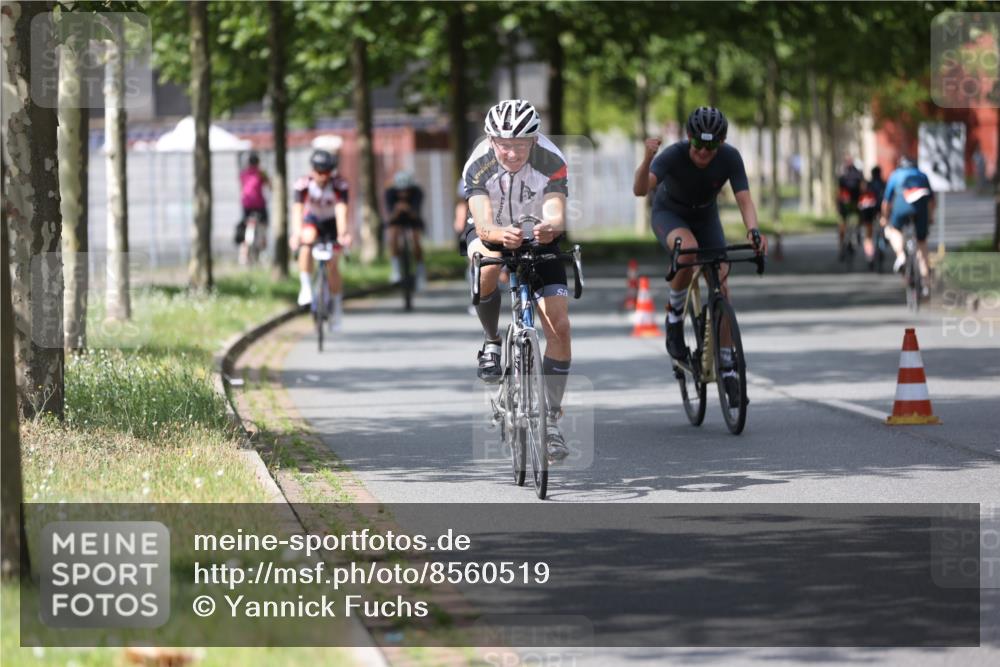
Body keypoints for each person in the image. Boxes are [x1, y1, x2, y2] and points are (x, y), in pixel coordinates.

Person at [461, 99, 572, 462]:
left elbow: (556, 212)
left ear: (535, 140)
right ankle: (493, 341)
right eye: (504, 144)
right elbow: (482, 223)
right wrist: (496, 234)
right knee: (488, 264)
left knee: (559, 327)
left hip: (537, 234)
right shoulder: (479, 163)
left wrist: (549, 228)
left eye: (520, 145)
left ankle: (550, 419)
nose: (511, 152)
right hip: (492, 229)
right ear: (491, 140)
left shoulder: (552, 161)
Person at [633, 106, 766, 407]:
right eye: (698, 145)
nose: (703, 153)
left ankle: (728, 366)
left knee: (722, 283)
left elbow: (744, 199)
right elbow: (640, 190)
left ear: (721, 143)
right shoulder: (673, 155)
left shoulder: (730, 157)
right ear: (689, 138)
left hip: (706, 218)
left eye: (711, 147)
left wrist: (754, 231)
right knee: (689, 250)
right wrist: (647, 158)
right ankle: (674, 316)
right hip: (670, 214)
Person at [291, 149, 351, 330]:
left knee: (333, 264)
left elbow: (341, 211)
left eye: (326, 172)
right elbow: (297, 211)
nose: (322, 176)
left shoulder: (339, 185)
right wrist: (296, 234)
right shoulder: (303, 184)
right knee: (306, 240)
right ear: (312, 169)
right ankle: (306, 287)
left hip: (332, 223)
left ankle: (337, 308)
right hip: (314, 221)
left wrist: (342, 234)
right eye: (318, 171)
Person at [881, 156, 935, 294]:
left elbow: (886, 202)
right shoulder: (923, 176)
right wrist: (930, 218)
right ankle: (925, 283)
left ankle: (901, 257)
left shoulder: (895, 175)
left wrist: (885, 218)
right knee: (922, 243)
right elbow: (931, 201)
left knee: (893, 229)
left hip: (901, 206)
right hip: (921, 209)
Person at [385, 171, 426, 289]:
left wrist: (407, 208)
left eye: (406, 191)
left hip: (413, 219)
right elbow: (390, 216)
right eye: (400, 191)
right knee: (392, 235)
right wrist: (397, 210)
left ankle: (420, 271)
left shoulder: (417, 192)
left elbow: (416, 214)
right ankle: (395, 270)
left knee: (416, 241)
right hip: (396, 219)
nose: (403, 194)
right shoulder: (390, 193)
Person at [237, 152, 270, 263]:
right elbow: (270, 185)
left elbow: (242, 187)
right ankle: (263, 250)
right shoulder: (261, 173)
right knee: (264, 226)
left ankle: (243, 256)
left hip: (246, 205)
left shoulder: (243, 174)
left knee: (245, 228)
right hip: (259, 205)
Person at [836, 155, 864, 260]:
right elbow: (862, 189)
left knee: (842, 224)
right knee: (858, 218)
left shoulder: (842, 175)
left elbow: (839, 192)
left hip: (844, 203)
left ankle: (841, 247)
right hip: (856, 202)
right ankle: (857, 233)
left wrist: (837, 205)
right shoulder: (858, 175)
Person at [857, 165, 885, 267]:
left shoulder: (868, 185)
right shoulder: (883, 184)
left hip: (868, 211)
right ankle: (882, 245)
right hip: (880, 211)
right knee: (882, 229)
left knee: (868, 235)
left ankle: (870, 255)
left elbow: (862, 200)